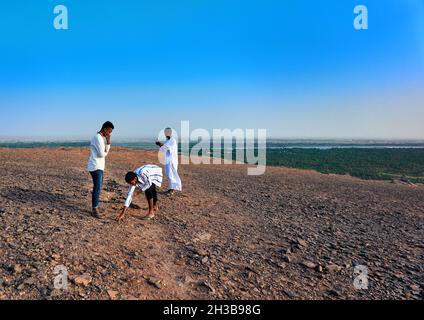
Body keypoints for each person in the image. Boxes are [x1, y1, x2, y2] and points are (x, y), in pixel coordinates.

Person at [87, 121, 114, 218]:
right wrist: (107, 150)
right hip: (96, 166)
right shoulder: (98, 138)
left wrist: (108, 142)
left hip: (98, 166)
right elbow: (102, 154)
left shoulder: (100, 138)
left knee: (98, 188)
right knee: (97, 188)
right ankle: (94, 209)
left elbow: (103, 152)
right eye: (109, 131)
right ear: (105, 128)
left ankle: (96, 207)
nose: (109, 134)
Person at [155, 127, 182, 195]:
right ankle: (171, 188)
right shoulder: (167, 140)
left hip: (172, 160)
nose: (165, 134)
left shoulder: (172, 141)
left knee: (171, 174)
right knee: (168, 174)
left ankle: (172, 190)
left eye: (167, 132)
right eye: (165, 132)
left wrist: (160, 144)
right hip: (167, 160)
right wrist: (160, 145)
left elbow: (168, 148)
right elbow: (164, 149)